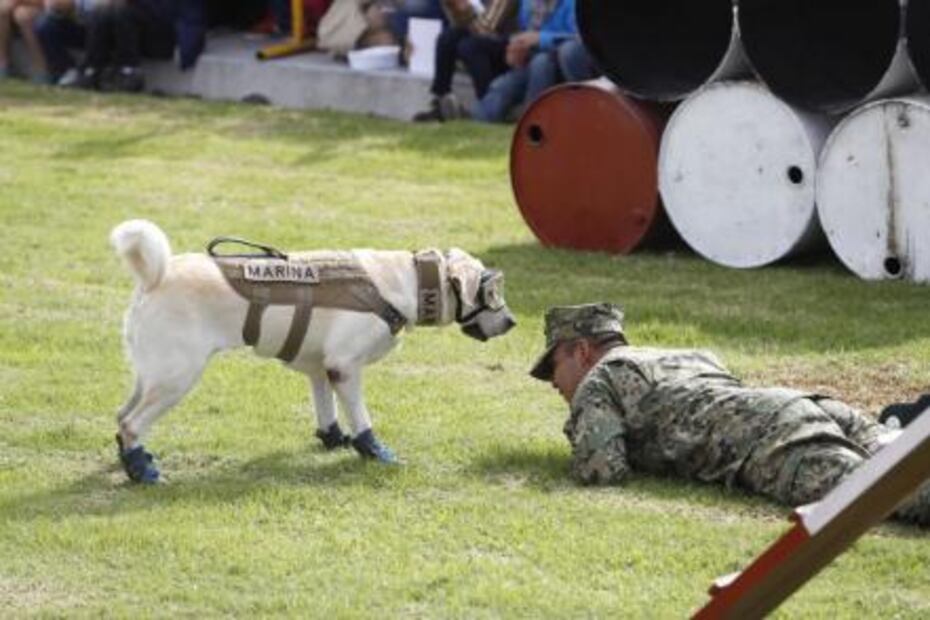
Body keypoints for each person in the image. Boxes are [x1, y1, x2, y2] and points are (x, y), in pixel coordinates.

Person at [529, 302, 930, 526]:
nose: (552, 382)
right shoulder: (677, 355)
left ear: (582, 351)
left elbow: (601, 472)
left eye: (553, 367)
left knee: (888, 493)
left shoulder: (599, 379)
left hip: (772, 443)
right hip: (804, 405)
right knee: (907, 457)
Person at [470, 0, 595, 123]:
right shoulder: (527, 3)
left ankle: (531, 121)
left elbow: (580, 39)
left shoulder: (573, 4)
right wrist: (516, 49)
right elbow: (525, 33)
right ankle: (479, 117)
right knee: (504, 87)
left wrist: (541, 38)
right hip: (534, 58)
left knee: (542, 63)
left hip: (563, 61)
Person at [65, 0, 205, 92]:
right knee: (102, 11)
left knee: (122, 11)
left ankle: (129, 72)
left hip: (162, 40)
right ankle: (91, 71)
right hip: (133, 32)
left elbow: (192, 19)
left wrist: (187, 50)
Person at [411, 0, 515, 122]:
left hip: (508, 45)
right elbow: (459, 25)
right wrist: (453, 7)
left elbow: (487, 28)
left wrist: (466, 10)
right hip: (481, 37)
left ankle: (486, 107)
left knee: (468, 47)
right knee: (447, 38)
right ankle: (441, 99)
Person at [0, 0, 49, 81]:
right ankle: (2, 64)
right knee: (2, 8)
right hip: (14, 6)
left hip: (40, 7)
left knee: (22, 16)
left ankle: (40, 69)